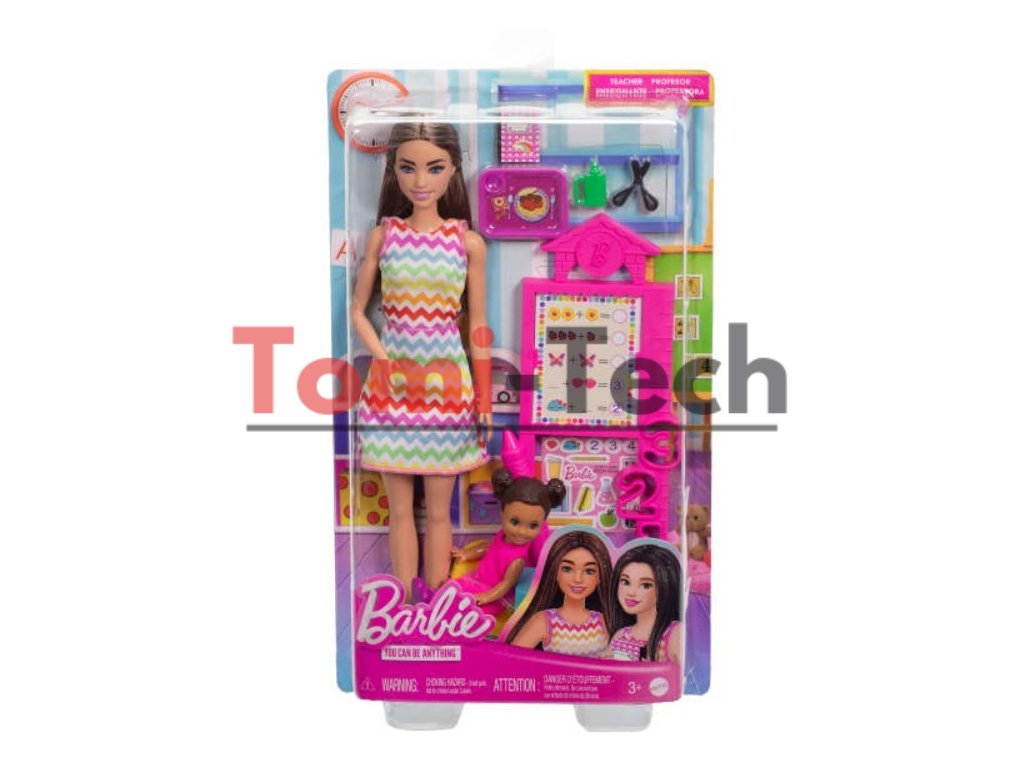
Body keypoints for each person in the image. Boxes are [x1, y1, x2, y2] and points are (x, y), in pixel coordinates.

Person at [350, 123, 492, 599]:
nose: (420, 180)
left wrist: (483, 397)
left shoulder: (466, 243)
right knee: (399, 512)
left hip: (447, 392)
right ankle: (405, 604)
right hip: (391, 389)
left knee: (437, 513)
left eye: (434, 168)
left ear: (453, 170)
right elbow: (358, 311)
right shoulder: (384, 236)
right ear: (394, 170)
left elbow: (478, 328)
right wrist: (382, 357)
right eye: (408, 167)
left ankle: (433, 607)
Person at [451, 469, 565, 616]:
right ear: (502, 514)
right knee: (453, 590)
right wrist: (466, 554)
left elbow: (506, 584)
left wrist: (486, 597)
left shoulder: (518, 560)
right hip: (478, 579)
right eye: (515, 522)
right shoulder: (502, 535)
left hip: (494, 594)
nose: (522, 532)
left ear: (542, 523)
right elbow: (490, 546)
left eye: (533, 526)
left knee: (467, 611)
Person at [505, 529, 612, 657]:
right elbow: (512, 660)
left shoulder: (604, 621)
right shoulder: (543, 621)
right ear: (555, 573)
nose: (578, 579)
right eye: (567, 569)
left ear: (599, 577)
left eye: (589, 571)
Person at [604, 544, 682, 663]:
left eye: (645, 585)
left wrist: (650, 671)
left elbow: (691, 671)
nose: (631, 592)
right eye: (625, 582)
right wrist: (605, 664)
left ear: (665, 587)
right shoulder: (620, 635)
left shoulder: (675, 633)